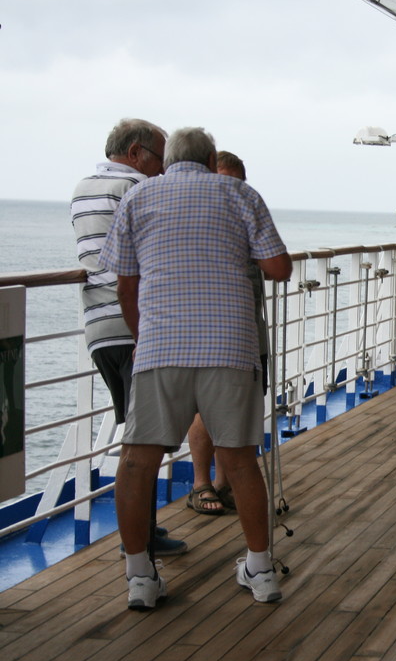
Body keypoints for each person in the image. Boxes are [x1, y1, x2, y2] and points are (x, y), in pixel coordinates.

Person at [99, 127, 293, 610]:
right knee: (241, 460)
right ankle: (261, 570)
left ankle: (140, 576)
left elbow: (124, 285)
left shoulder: (138, 198)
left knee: (138, 461)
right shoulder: (240, 193)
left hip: (161, 346)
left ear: (170, 161)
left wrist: (147, 339)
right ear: (210, 159)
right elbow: (279, 269)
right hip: (229, 345)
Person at [70, 118, 187, 557]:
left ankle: (141, 535)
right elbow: (151, 257)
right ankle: (138, 542)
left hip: (99, 328)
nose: (163, 170)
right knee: (143, 445)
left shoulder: (83, 187)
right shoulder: (138, 188)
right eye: (161, 159)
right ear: (137, 153)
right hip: (136, 325)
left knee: (140, 438)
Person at [185, 150, 267, 515]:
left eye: (236, 184)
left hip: (249, 334)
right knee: (205, 408)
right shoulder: (195, 223)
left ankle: (223, 483)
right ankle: (201, 483)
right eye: (222, 183)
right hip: (206, 335)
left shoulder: (247, 220)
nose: (229, 191)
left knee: (242, 411)